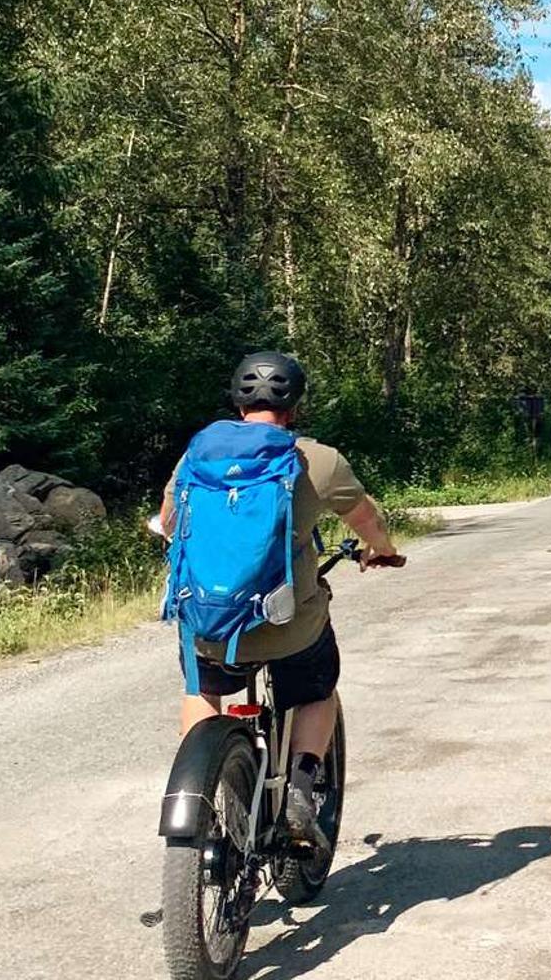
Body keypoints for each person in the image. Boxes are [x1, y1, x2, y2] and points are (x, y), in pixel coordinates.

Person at [158, 351, 402, 841]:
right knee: (317, 688)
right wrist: (382, 550)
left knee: (203, 691)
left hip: (210, 627)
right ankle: (300, 786)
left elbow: (168, 522)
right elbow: (367, 522)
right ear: (295, 405)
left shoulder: (198, 455)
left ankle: (210, 795)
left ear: (237, 401)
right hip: (288, 627)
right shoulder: (319, 461)